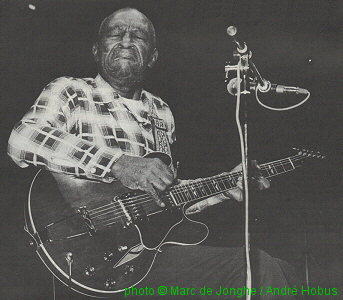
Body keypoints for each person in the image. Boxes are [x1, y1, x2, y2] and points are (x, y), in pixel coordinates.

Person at [8, 7, 303, 299]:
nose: (125, 40)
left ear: (153, 57)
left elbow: (165, 198)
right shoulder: (70, 90)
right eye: (115, 33)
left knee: (285, 272)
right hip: (88, 250)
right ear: (97, 50)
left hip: (145, 256)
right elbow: (23, 139)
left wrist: (226, 186)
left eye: (138, 36)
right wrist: (119, 164)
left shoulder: (161, 112)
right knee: (258, 268)